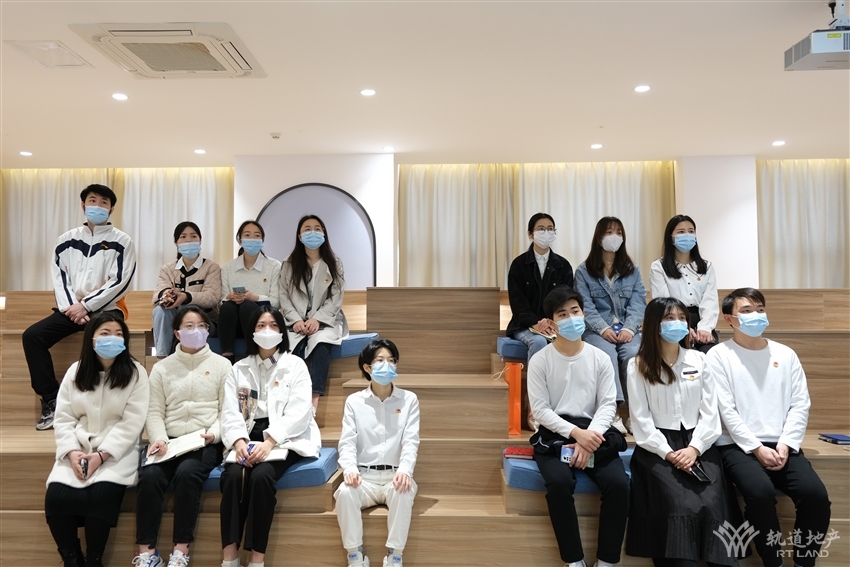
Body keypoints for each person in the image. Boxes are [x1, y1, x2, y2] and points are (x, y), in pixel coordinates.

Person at [707, 288, 831, 567]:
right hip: (737, 446)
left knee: (816, 496)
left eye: (760, 309)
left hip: (783, 444)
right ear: (729, 319)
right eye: (746, 311)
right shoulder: (718, 355)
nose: (756, 315)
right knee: (760, 494)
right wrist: (756, 448)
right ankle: (772, 562)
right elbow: (725, 410)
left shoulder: (785, 354)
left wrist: (786, 444)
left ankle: (804, 563)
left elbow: (800, 403)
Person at [625, 297, 735, 567]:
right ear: (654, 324)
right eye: (669, 318)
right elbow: (640, 420)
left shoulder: (700, 359)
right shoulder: (637, 365)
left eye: (682, 318)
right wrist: (669, 453)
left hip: (699, 444)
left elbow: (710, 413)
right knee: (677, 503)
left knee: (712, 502)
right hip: (658, 449)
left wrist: (695, 448)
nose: (677, 323)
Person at [527, 285, 630, 567]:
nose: (571, 318)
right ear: (551, 323)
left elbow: (607, 405)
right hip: (556, 433)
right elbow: (541, 411)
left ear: (584, 314)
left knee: (619, 484)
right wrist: (576, 435)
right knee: (559, 484)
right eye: (562, 314)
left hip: (594, 430)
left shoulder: (600, 357)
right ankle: (574, 560)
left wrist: (589, 439)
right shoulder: (540, 360)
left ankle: (607, 561)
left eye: (575, 311)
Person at [23, 183, 136, 430]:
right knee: (32, 336)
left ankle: (103, 406)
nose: (98, 205)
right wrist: (72, 308)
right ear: (83, 205)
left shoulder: (122, 241)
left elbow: (121, 281)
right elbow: (59, 277)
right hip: (71, 309)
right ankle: (51, 400)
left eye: (104, 202)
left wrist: (87, 306)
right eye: (92, 200)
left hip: (107, 308)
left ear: (111, 209)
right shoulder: (66, 240)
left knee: (106, 341)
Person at [44, 311, 149, 567]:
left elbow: (132, 422)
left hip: (116, 451)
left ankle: (94, 559)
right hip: (78, 447)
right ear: (91, 338)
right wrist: (71, 452)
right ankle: (71, 559)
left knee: (101, 496)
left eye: (118, 334)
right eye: (105, 333)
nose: (113, 338)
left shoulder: (136, 372)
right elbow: (64, 418)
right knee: (55, 497)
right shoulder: (75, 371)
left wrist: (102, 455)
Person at [219, 306, 321, 567]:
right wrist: (239, 442)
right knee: (232, 477)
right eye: (261, 325)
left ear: (282, 332)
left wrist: (270, 442)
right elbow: (230, 411)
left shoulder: (295, 365)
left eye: (274, 325)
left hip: (285, 437)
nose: (267, 330)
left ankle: (257, 559)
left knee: (261, 477)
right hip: (246, 435)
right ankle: (230, 557)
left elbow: (300, 412)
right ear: (252, 332)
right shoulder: (238, 368)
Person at [134, 306, 231, 567]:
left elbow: (227, 411)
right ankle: (147, 553)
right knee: (149, 476)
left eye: (201, 326)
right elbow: (154, 410)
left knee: (187, 474)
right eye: (189, 326)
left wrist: (214, 434)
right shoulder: (162, 368)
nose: (196, 330)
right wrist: (158, 438)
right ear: (177, 333)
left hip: (203, 441)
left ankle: (180, 551)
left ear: (208, 331)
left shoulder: (223, 365)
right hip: (169, 440)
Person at [335, 339, 420, 567]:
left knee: (403, 492)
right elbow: (347, 441)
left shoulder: (409, 399)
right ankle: (355, 556)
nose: (387, 365)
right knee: (344, 493)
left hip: (395, 475)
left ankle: (394, 557)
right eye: (380, 360)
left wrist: (405, 470)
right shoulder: (354, 401)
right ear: (367, 367)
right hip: (364, 478)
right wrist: (350, 469)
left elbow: (411, 441)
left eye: (391, 361)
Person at [574, 216, 646, 431]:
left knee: (633, 355)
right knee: (606, 355)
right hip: (596, 330)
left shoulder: (632, 270)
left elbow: (638, 303)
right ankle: (612, 412)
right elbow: (585, 306)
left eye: (619, 232)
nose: (614, 236)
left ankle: (635, 413)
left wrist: (629, 328)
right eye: (609, 232)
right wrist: (603, 328)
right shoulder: (583, 271)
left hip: (627, 329)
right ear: (599, 238)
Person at [280, 214, 348, 412]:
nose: (313, 233)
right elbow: (284, 295)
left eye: (317, 229)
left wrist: (317, 319)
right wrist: (295, 320)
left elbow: (336, 297)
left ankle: (313, 402)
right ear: (299, 236)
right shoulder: (289, 263)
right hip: (295, 321)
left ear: (324, 233)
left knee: (320, 343)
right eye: (307, 229)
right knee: (292, 347)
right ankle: (292, 399)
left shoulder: (334, 262)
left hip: (326, 320)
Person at [505, 212, 575, 362]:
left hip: (555, 325)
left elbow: (566, 299)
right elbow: (517, 302)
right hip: (524, 325)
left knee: (571, 340)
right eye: (541, 229)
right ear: (530, 234)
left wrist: (551, 322)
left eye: (550, 229)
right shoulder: (519, 265)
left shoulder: (563, 265)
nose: (546, 232)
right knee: (538, 341)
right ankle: (535, 378)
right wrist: (535, 323)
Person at [649, 215, 719, 354]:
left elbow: (710, 300)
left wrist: (705, 328)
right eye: (681, 232)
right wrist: (684, 326)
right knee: (683, 355)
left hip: (700, 320)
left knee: (710, 354)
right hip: (672, 321)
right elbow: (663, 302)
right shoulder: (658, 267)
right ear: (671, 237)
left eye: (691, 231)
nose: (687, 235)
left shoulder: (706, 267)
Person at [151, 222, 222, 358]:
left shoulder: (211, 267)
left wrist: (186, 297)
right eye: (183, 237)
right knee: (160, 310)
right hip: (173, 321)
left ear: (200, 240)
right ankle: (162, 358)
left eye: (193, 236)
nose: (188, 240)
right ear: (176, 242)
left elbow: (212, 297)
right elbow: (157, 294)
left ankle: (184, 356)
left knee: (188, 309)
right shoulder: (167, 269)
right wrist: (166, 295)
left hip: (205, 321)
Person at [219, 220, 281, 362]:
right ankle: (227, 356)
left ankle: (253, 355)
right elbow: (220, 303)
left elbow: (277, 302)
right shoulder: (227, 268)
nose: (252, 239)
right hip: (233, 323)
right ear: (240, 240)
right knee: (228, 306)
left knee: (247, 306)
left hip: (262, 323)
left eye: (256, 235)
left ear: (262, 240)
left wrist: (255, 298)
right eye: (247, 235)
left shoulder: (274, 266)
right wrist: (230, 297)